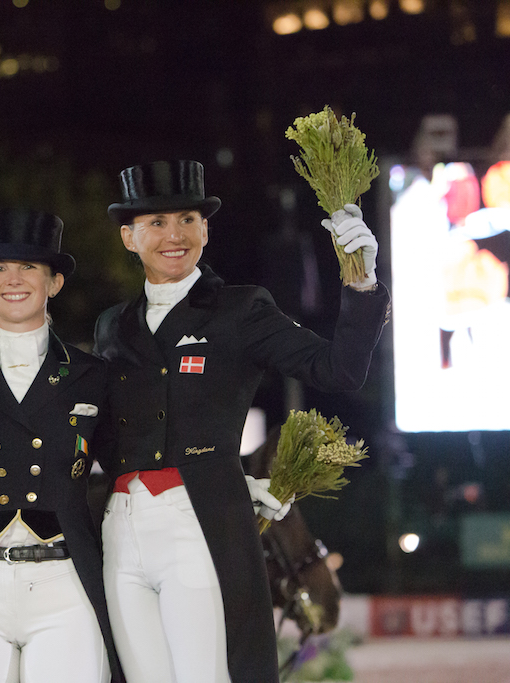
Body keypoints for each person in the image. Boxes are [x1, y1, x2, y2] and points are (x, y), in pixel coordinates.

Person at [93, 160, 390, 683]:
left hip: (201, 524)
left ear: (205, 229)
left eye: (187, 219)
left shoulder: (242, 310)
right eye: (156, 223)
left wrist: (361, 283)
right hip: (121, 527)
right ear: (128, 237)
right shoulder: (112, 325)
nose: (174, 235)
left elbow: (338, 370)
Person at [0, 208, 122, 683]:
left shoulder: (93, 377)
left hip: (65, 583)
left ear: (54, 284)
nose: (14, 279)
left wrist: (229, 481)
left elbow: (131, 463)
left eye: (29, 267)